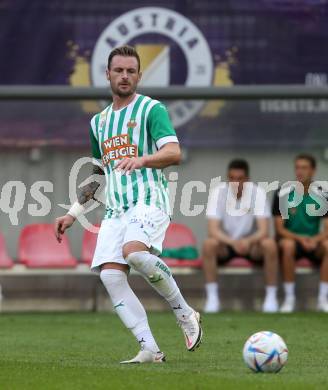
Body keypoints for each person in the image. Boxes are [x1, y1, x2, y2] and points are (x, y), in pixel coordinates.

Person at [54, 45, 202, 364]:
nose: (124, 76)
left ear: (139, 75)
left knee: (134, 253)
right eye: (119, 70)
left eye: (131, 71)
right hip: (117, 210)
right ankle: (149, 348)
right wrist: (72, 213)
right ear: (107, 74)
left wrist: (144, 159)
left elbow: (174, 153)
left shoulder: (151, 110)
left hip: (150, 200)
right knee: (110, 276)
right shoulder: (99, 123)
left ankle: (185, 312)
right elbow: (98, 174)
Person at [202, 159, 279, 313]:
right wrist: (232, 242)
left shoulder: (257, 192)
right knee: (209, 244)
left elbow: (264, 230)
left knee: (269, 244)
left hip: (251, 245)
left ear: (247, 179)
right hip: (227, 244)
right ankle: (212, 298)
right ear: (227, 178)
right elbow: (213, 230)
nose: (235, 182)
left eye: (240, 178)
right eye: (232, 178)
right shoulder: (218, 192)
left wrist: (248, 241)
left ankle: (271, 297)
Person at [273, 153, 328, 312]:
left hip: (313, 243)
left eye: (304, 167)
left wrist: (315, 239)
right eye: (297, 167)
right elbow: (280, 229)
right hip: (292, 241)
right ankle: (289, 299)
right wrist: (301, 239)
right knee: (288, 245)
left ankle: (323, 298)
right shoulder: (282, 193)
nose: (300, 171)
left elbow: (327, 229)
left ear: (313, 170)